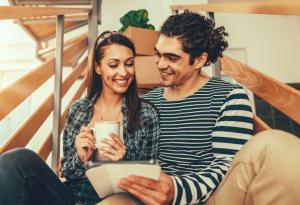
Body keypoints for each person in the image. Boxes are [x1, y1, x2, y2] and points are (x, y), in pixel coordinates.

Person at [104, 11, 300, 205]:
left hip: (209, 198)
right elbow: (142, 158)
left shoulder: (229, 97)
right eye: (158, 54)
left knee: (273, 143)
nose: (160, 64)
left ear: (199, 60)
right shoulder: (147, 102)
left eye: (172, 58)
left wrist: (176, 189)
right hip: (150, 198)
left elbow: (227, 167)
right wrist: (120, 156)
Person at [0, 31, 159, 205]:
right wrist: (81, 158)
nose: (124, 72)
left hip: (114, 199)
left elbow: (149, 180)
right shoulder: (79, 110)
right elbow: (66, 170)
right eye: (113, 65)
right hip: (71, 196)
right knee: (17, 159)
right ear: (98, 67)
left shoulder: (146, 113)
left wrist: (123, 162)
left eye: (129, 64)